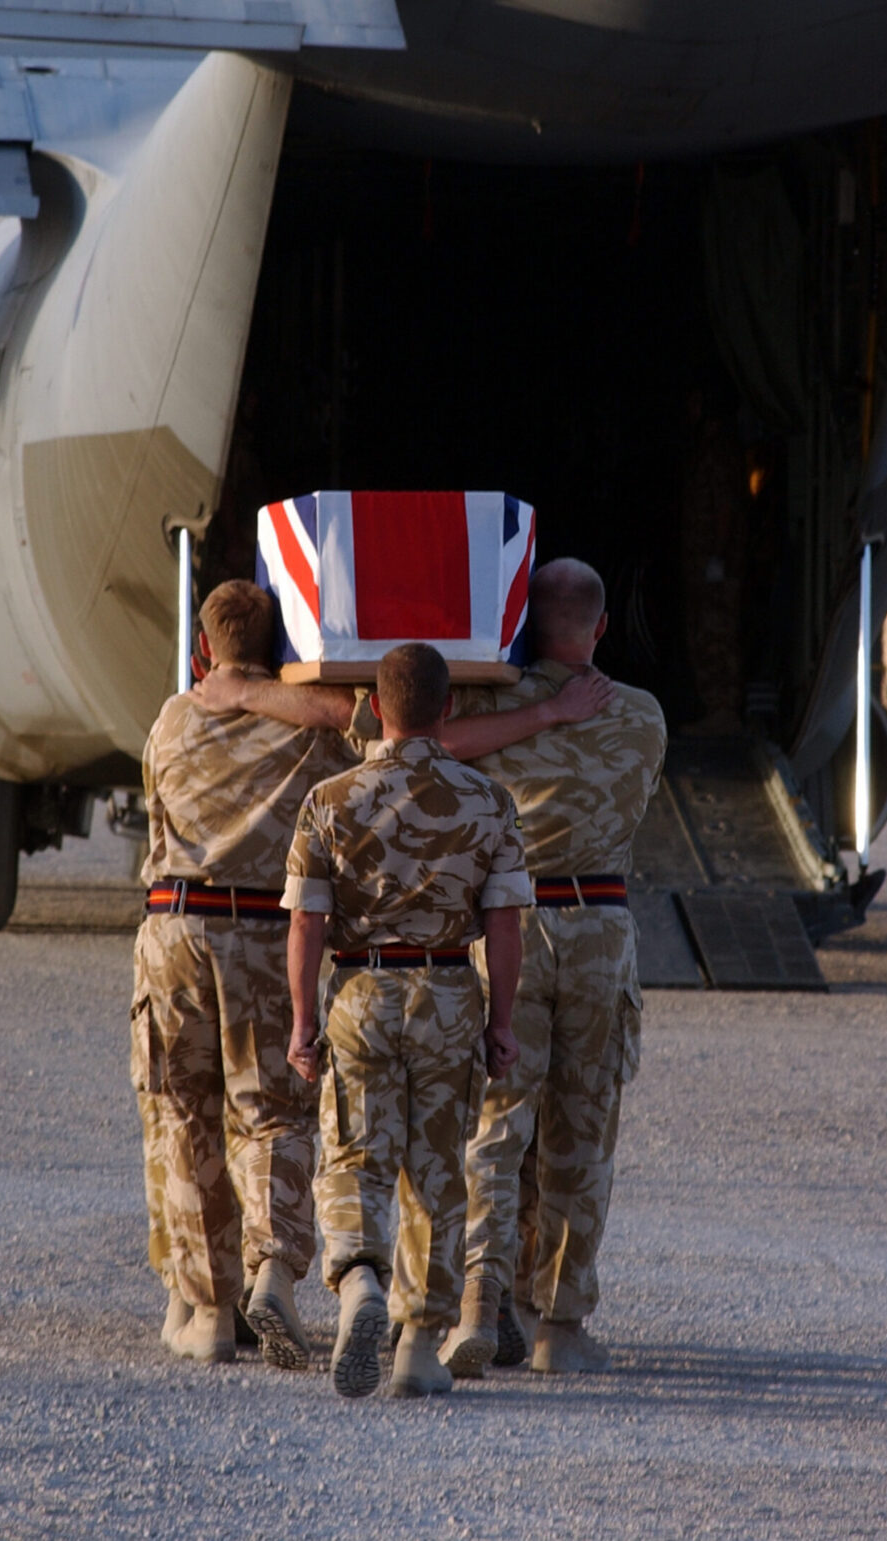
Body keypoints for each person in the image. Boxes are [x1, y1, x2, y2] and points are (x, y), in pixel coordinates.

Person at [282, 642, 530, 1399]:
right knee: (437, 1170)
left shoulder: (330, 798)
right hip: (450, 990)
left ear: (376, 707)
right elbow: (506, 923)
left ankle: (360, 1278)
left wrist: (302, 1023)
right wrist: (502, 1022)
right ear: (447, 707)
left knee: (355, 1155)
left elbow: (306, 924)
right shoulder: (489, 800)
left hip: (361, 990)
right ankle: (419, 1345)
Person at [439, 557, 666, 1376]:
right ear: (601, 626)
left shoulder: (490, 712)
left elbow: (427, 741)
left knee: (496, 1125)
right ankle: (557, 1327)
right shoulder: (642, 716)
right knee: (582, 1129)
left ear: (526, 626)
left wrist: (533, 712)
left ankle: (477, 1299)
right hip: (600, 927)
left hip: (512, 925)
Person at [131, 579, 360, 1368]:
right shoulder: (311, 734)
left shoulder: (172, 719)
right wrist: (280, 694)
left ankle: (208, 1310)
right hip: (267, 932)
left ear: (203, 650)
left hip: (176, 925)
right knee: (273, 1113)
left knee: (185, 1112)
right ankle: (273, 1272)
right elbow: (373, 724)